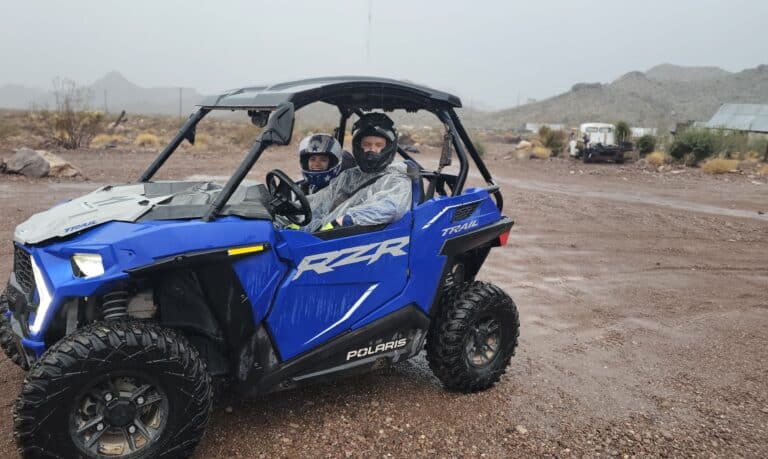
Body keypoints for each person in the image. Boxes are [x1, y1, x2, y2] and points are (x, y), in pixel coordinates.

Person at [301, 112, 412, 232]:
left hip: (356, 240)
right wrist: (295, 209)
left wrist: (348, 218)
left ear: (387, 147)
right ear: (359, 146)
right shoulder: (349, 176)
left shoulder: (396, 178)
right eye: (367, 144)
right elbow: (321, 200)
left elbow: (393, 207)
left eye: (378, 145)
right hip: (326, 235)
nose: (372, 150)